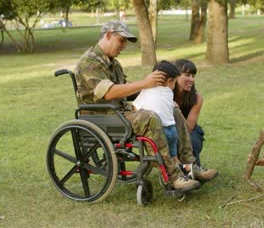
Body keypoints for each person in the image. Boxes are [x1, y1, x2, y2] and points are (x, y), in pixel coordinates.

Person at [74, 20, 217, 192]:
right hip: (102, 117)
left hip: (119, 113)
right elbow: (109, 93)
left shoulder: (112, 62)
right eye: (122, 40)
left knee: (174, 110)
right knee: (149, 117)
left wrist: (156, 88)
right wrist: (145, 83)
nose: (124, 45)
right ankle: (173, 177)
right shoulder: (89, 62)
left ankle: (189, 165)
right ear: (108, 35)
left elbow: (126, 90)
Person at [132, 60, 191, 174]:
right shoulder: (169, 92)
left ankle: (172, 173)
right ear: (169, 81)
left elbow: (135, 107)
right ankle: (186, 169)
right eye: (175, 82)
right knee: (174, 156)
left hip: (159, 131)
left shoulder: (147, 90)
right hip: (172, 130)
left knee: (165, 156)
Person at [173, 60, 207, 172]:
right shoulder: (165, 94)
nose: (191, 79)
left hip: (189, 130)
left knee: (191, 139)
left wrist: (176, 109)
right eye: (187, 75)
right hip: (169, 128)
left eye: (193, 76)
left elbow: (188, 129)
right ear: (175, 76)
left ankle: (193, 170)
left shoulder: (197, 98)